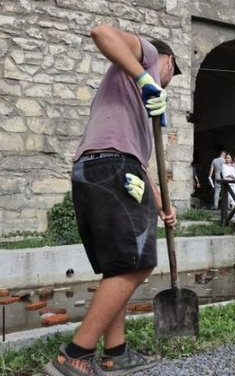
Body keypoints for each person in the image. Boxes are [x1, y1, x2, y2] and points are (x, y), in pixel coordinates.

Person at [44, 24, 180, 376]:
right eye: (170, 75)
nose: (167, 82)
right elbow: (101, 31)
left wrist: (163, 206)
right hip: (113, 166)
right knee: (137, 264)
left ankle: (115, 352)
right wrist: (146, 78)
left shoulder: (132, 109)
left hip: (96, 169)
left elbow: (141, 164)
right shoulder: (148, 57)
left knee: (119, 264)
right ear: (168, 60)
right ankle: (75, 353)